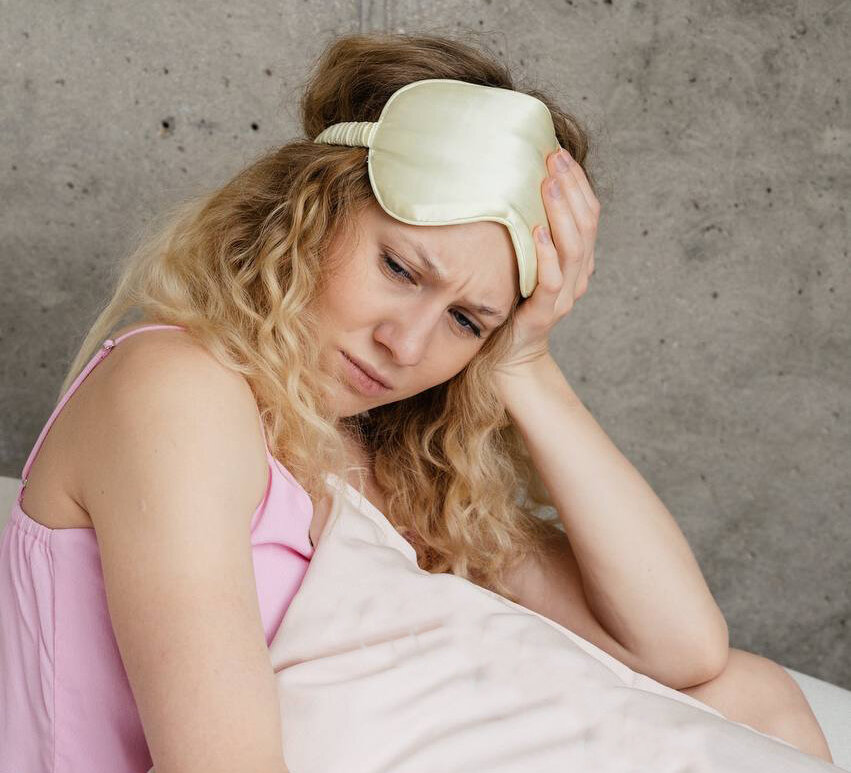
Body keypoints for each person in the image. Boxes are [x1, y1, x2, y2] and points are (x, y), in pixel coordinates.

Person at [0, 31, 833, 773]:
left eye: (466, 321)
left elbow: (684, 648)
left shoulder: (398, 471)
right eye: (399, 268)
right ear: (312, 209)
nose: (406, 344)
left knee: (753, 697)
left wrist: (525, 362)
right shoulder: (176, 386)